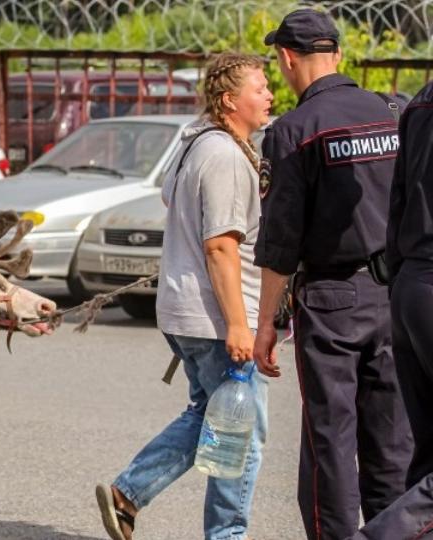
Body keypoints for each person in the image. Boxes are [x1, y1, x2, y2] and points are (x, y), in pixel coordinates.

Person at [95, 52, 272, 540]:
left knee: (208, 416)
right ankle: (225, 535)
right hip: (215, 317)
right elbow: (220, 246)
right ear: (229, 99)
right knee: (239, 433)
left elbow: (175, 204)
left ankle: (128, 494)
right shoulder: (223, 156)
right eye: (260, 88)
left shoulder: (197, 141)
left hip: (187, 311)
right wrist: (238, 324)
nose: (270, 96)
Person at [252, 9, 413, 540]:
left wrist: (266, 324)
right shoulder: (394, 111)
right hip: (394, 295)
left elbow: (280, 241)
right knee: (393, 442)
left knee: (331, 444)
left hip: (331, 302)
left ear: (286, 58)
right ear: (338, 54)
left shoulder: (293, 131)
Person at [348, 78, 433, 540]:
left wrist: (401, 280)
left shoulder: (419, 102)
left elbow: (396, 202)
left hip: (410, 285)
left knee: (427, 459)